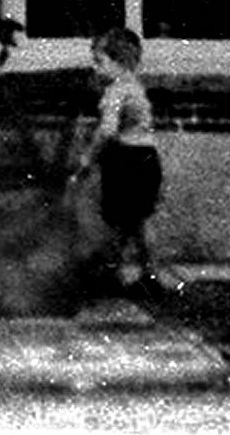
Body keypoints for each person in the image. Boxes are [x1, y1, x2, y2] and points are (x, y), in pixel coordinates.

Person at [67, 25, 163, 291]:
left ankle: (118, 271)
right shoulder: (135, 86)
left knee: (120, 221)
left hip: (126, 158)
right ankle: (148, 272)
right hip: (146, 156)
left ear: (118, 62)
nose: (96, 69)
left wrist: (88, 156)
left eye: (100, 62)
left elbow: (108, 130)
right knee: (141, 219)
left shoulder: (115, 92)